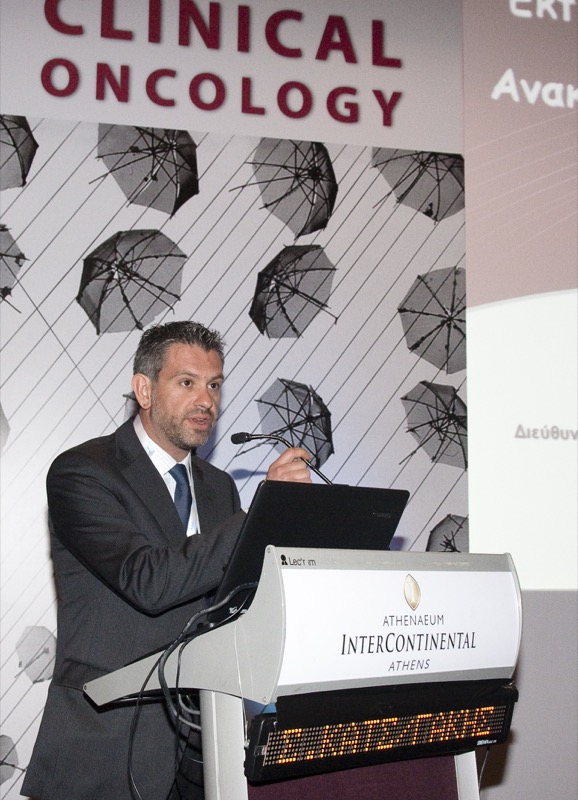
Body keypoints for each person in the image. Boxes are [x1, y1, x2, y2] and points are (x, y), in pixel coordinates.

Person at [22, 320, 312, 800]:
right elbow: (148, 581)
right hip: (106, 747)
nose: (206, 401)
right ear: (144, 389)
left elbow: (232, 601)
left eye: (214, 385)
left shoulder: (219, 487)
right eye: (187, 382)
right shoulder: (83, 472)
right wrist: (261, 512)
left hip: (205, 748)